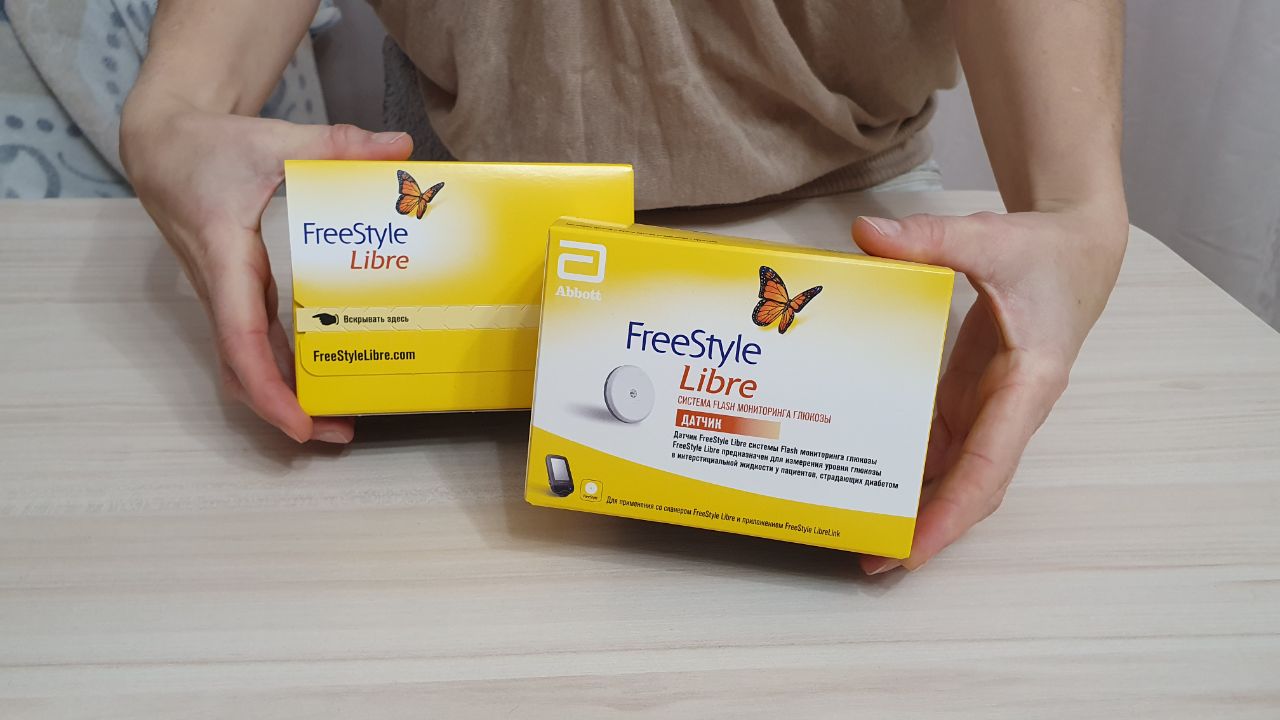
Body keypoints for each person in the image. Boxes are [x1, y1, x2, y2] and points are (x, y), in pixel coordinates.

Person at [120, 1, 1129, 574]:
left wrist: (1077, 206)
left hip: (845, 234)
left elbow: (1071, 206)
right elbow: (184, 106)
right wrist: (175, 112)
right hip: (457, 234)